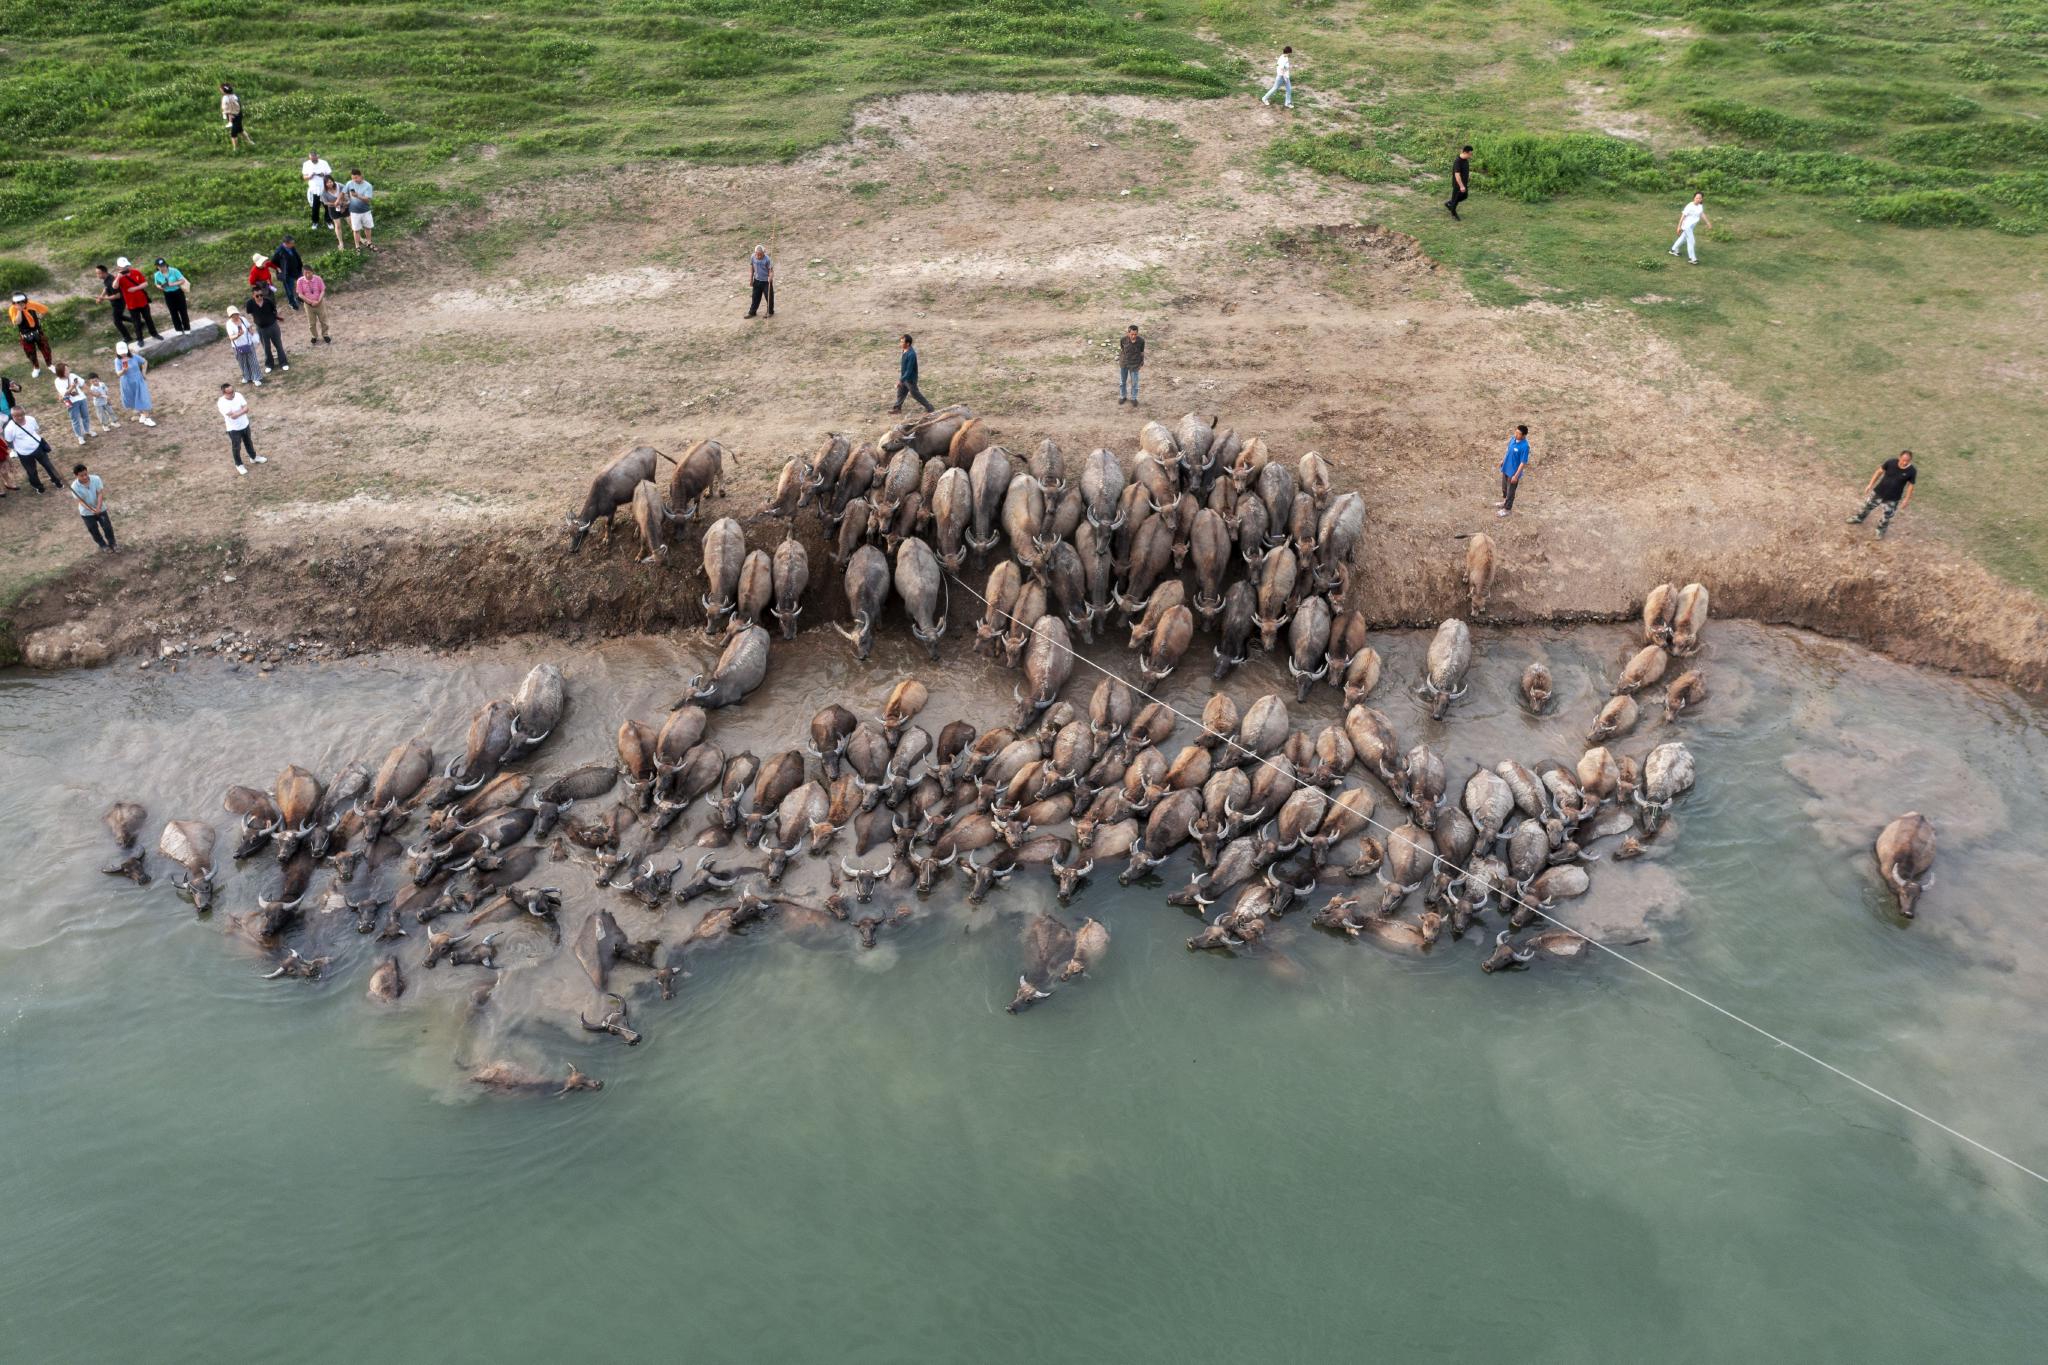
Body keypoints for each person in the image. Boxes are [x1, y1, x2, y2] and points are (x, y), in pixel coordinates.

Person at [1847, 449, 1918, 539]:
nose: (1904, 463)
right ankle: (1859, 518)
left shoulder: (1912, 471)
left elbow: (1911, 486)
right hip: (1879, 492)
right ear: (1899, 457)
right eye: (1903, 460)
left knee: (1887, 516)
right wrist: (1870, 484)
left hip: (1893, 498)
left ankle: (1880, 530)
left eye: (1907, 461)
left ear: (1910, 460)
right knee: (1867, 506)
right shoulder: (1891, 462)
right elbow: (1878, 472)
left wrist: (1906, 499)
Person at [2, 407, 60, 491]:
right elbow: (9, 441)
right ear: (12, 416)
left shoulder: (31, 419)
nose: (20, 417)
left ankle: (56, 480)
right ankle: (38, 486)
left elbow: (36, 429)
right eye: (17, 416)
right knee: (31, 471)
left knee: (48, 465)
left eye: (22, 415)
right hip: (24, 454)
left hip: (38, 447)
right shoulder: (9, 428)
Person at [216, 383, 267, 475]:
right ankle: (239, 464)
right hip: (233, 429)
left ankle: (253, 457)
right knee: (236, 447)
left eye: (233, 391)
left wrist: (240, 412)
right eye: (230, 393)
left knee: (248, 442)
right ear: (224, 393)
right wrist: (242, 411)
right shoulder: (222, 403)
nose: (232, 394)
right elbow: (233, 416)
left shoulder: (238, 395)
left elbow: (246, 408)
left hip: (245, 424)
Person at [70, 463, 116, 551]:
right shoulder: (74, 486)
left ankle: (112, 543)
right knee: (93, 530)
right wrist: (91, 509)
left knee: (107, 527)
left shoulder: (96, 479)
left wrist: (98, 508)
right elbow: (80, 501)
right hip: (86, 513)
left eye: (85, 474)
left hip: (101, 509)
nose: (85, 477)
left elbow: (99, 493)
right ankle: (102, 545)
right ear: (76, 475)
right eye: (81, 475)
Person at [114, 257, 162, 340]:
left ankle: (154, 334)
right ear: (119, 268)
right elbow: (114, 286)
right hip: (131, 304)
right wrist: (118, 277)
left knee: (148, 319)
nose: (126, 268)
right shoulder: (119, 277)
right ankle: (140, 338)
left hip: (143, 301)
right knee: (136, 322)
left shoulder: (136, 272)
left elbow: (145, 284)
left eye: (127, 266)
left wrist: (135, 289)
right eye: (124, 267)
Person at [9, 292, 52, 375]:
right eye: (16, 303)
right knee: (30, 353)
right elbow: (17, 322)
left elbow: (44, 309)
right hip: (25, 335)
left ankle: (49, 364)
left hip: (37, 331)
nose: (19, 304)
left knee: (46, 349)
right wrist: (19, 310)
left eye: (21, 302)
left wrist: (39, 317)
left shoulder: (31, 304)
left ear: (25, 301)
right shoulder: (13, 309)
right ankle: (36, 368)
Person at [114, 342, 157, 427]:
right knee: (133, 399)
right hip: (127, 382)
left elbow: (144, 362)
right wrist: (123, 370)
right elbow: (118, 373)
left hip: (138, 380)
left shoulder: (134, 356)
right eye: (121, 352)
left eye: (124, 351)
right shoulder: (117, 360)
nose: (123, 354)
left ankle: (147, 418)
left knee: (143, 398)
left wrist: (143, 373)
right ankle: (142, 414)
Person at [247, 286, 288, 373]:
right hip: (261, 329)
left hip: (273, 326)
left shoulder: (268, 301)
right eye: (257, 296)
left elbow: (274, 310)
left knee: (278, 345)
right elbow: (250, 312)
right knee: (266, 347)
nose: (260, 297)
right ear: (253, 295)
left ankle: (283, 363)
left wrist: (276, 318)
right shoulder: (250, 303)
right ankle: (269, 364)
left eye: (261, 295)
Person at [890, 334, 933, 415]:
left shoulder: (911, 354)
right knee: (901, 392)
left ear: (908, 343)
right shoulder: (904, 350)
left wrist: (901, 380)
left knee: (916, 394)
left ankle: (930, 408)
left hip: (910, 379)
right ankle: (897, 408)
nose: (900, 344)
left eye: (902, 342)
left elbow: (909, 370)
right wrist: (902, 378)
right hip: (904, 377)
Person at [1498, 423, 1531, 517]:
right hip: (1506, 468)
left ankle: (1507, 509)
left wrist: (1516, 476)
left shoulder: (1525, 446)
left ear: (1524, 435)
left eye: (1518, 433)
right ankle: (1504, 502)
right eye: (1516, 432)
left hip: (1513, 473)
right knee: (1504, 488)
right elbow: (1508, 451)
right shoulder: (1513, 439)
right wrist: (1503, 460)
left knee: (1510, 491)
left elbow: (1523, 462)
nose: (1516, 435)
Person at [53, 364, 92, 444]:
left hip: (81, 398)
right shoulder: (57, 381)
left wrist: (91, 392)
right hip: (72, 402)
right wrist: (72, 386)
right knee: (75, 420)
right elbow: (64, 393)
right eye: (66, 370)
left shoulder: (72, 375)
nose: (68, 371)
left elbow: (82, 383)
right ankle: (80, 436)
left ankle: (87, 430)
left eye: (68, 369)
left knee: (85, 416)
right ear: (61, 372)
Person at [225, 305, 263, 386]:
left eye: (236, 314)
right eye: (233, 315)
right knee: (243, 362)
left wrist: (253, 335)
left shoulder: (243, 319)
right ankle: (247, 377)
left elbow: (249, 327)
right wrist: (238, 335)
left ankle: (256, 378)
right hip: (238, 347)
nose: (235, 316)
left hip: (248, 343)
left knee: (253, 361)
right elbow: (231, 337)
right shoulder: (229, 324)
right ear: (230, 316)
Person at [95, 264, 133, 343]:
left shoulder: (111, 281)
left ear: (104, 273)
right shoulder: (107, 279)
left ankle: (127, 337)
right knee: (120, 317)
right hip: (116, 303)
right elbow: (106, 288)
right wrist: (101, 297)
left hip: (119, 303)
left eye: (98, 273)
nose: (97, 275)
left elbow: (118, 295)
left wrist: (103, 298)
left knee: (116, 321)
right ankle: (138, 322)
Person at [152, 258, 193, 333]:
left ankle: (187, 328)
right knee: (173, 312)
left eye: (163, 265)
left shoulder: (174, 270)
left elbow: (182, 280)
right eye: (160, 266)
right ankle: (178, 329)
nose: (162, 267)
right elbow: (156, 284)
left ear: (166, 264)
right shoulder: (157, 274)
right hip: (168, 294)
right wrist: (159, 286)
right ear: (157, 267)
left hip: (178, 292)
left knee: (183, 310)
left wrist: (173, 284)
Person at [1669, 192, 1710, 265]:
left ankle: (1673, 249)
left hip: (1691, 226)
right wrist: (1679, 227)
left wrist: (1708, 222)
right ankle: (1692, 258)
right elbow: (1683, 217)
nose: (1698, 199)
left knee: (1683, 238)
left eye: (1700, 198)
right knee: (1691, 241)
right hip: (1687, 226)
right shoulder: (1689, 206)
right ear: (1694, 198)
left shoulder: (1700, 205)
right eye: (1697, 198)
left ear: (1702, 199)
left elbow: (1701, 214)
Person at [296, 267, 331, 344]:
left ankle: (325, 334)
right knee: (311, 322)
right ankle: (314, 336)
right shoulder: (300, 281)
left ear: (312, 272)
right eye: (305, 273)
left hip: (320, 303)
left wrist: (318, 301)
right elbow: (300, 294)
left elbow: (322, 290)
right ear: (303, 273)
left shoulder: (318, 279)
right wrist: (310, 302)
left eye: (309, 272)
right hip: (308, 305)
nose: (307, 275)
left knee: (323, 320)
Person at [270, 235, 305, 312]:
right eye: (292, 243)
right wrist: (279, 268)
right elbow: (273, 262)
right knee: (290, 289)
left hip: (297, 270)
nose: (294, 245)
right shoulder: (279, 251)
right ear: (286, 243)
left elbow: (296, 255)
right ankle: (292, 302)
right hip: (287, 274)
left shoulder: (292, 247)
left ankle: (300, 298)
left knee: (301, 284)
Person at [344, 169, 376, 250]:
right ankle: (357, 246)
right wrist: (345, 202)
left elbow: (368, 200)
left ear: (361, 176)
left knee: (367, 227)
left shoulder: (368, 185)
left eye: (356, 178)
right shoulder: (349, 183)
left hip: (365, 210)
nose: (354, 180)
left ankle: (369, 242)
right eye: (352, 178)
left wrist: (357, 196)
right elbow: (343, 193)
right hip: (354, 211)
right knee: (356, 230)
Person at [300, 150, 332, 227]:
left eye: (314, 158)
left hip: (324, 187)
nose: (313, 160)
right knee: (315, 207)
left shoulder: (324, 162)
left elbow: (329, 174)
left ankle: (328, 221)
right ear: (309, 158)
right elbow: (304, 177)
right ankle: (315, 222)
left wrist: (323, 174)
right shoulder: (306, 164)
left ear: (317, 156)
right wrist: (309, 176)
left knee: (327, 205)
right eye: (311, 159)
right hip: (314, 189)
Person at [1117, 324, 1144, 406]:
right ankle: (1123, 396)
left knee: (1135, 383)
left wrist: (1141, 363)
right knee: (1122, 382)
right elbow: (1122, 349)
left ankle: (1134, 398)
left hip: (1135, 365)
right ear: (1128, 333)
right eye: (1132, 334)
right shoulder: (1123, 340)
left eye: (1135, 334)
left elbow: (1142, 352)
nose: (1133, 336)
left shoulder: (1141, 341)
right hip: (1124, 363)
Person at [220, 82, 252, 150]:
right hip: (238, 114)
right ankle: (249, 142)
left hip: (232, 115)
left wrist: (227, 115)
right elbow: (239, 105)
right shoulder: (235, 96)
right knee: (240, 130)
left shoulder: (225, 98)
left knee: (233, 133)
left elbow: (224, 107)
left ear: (223, 91)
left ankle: (235, 148)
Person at [746, 246, 775, 318]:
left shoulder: (768, 259)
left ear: (763, 253)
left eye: (760, 254)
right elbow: (752, 268)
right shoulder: (752, 257)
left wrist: (770, 277)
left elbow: (771, 271)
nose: (758, 256)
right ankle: (752, 312)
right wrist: (751, 279)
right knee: (755, 297)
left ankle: (770, 312)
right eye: (757, 254)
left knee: (769, 297)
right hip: (757, 280)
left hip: (766, 282)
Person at [320, 176, 348, 250]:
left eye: (330, 182)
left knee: (351, 222)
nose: (329, 184)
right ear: (325, 184)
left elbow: (346, 193)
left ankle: (360, 238)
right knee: (338, 225)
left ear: (333, 181)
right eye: (327, 183)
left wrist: (343, 204)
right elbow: (325, 203)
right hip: (333, 208)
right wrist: (335, 204)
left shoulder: (340, 185)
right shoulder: (323, 191)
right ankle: (341, 242)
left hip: (344, 206)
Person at [1446, 145, 1472, 220]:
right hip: (1458, 185)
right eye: (1470, 154)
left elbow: (1465, 170)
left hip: (1464, 183)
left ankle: (1450, 203)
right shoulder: (1458, 161)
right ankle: (1453, 213)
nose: (1470, 156)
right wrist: (1461, 186)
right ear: (1464, 152)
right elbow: (1457, 175)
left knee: (1465, 196)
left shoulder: (1466, 160)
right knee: (1456, 199)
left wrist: (1468, 176)